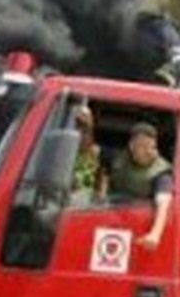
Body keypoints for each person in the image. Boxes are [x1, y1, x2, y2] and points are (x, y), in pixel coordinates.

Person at [109, 122, 174, 250]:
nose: (149, 152)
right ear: (132, 147)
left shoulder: (161, 172)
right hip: (113, 214)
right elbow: (90, 149)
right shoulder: (120, 159)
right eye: (144, 147)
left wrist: (155, 234)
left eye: (153, 147)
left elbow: (163, 203)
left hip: (137, 223)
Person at [71, 105, 106, 202]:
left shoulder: (96, 153)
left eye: (85, 129)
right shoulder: (62, 148)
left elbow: (101, 185)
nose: (81, 133)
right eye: (78, 127)